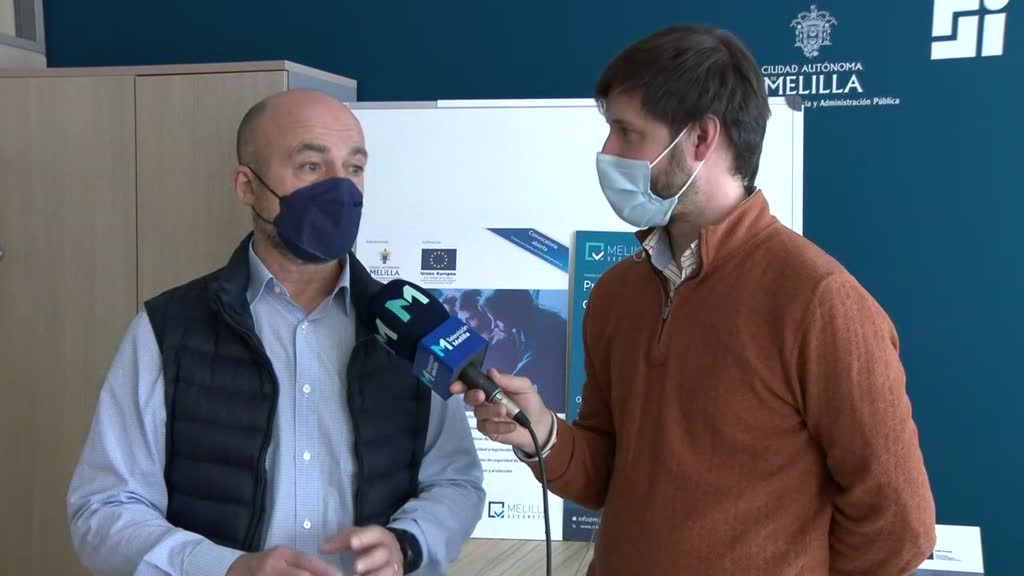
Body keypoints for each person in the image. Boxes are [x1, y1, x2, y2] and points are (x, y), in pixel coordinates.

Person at [453, 25, 936, 575]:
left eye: (626, 132)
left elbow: (900, 524)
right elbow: (607, 474)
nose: (606, 152)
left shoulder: (820, 301)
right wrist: (542, 432)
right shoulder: (616, 294)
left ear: (701, 138)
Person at [68, 89, 485, 576]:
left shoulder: (410, 325)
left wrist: (407, 544)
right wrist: (224, 568)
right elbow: (103, 508)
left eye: (353, 168)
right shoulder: (166, 331)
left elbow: (456, 482)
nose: (340, 188)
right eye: (311, 166)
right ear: (247, 185)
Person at [480, 290, 568, 414]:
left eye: (497, 318)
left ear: (512, 312)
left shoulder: (548, 331)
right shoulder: (520, 327)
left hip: (559, 403)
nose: (493, 325)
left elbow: (520, 376)